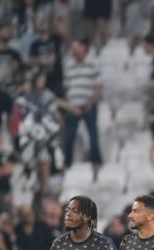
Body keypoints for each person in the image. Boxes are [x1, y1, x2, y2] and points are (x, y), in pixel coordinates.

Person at [60, 38, 102, 177]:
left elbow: (97, 86)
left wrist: (90, 102)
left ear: (83, 48)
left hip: (89, 105)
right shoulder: (69, 65)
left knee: (93, 135)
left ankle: (96, 162)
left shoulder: (92, 64)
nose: (74, 50)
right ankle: (67, 164)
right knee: (69, 136)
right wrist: (70, 105)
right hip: (73, 107)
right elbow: (67, 88)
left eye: (76, 47)